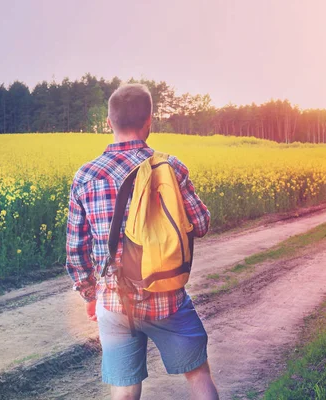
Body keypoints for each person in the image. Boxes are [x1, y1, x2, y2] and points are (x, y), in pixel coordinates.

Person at [66, 83, 219, 400]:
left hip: (113, 301)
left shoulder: (86, 175)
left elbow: (76, 251)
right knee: (198, 374)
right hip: (167, 299)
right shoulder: (170, 167)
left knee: (123, 391)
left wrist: (89, 294)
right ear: (150, 121)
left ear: (108, 123)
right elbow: (202, 224)